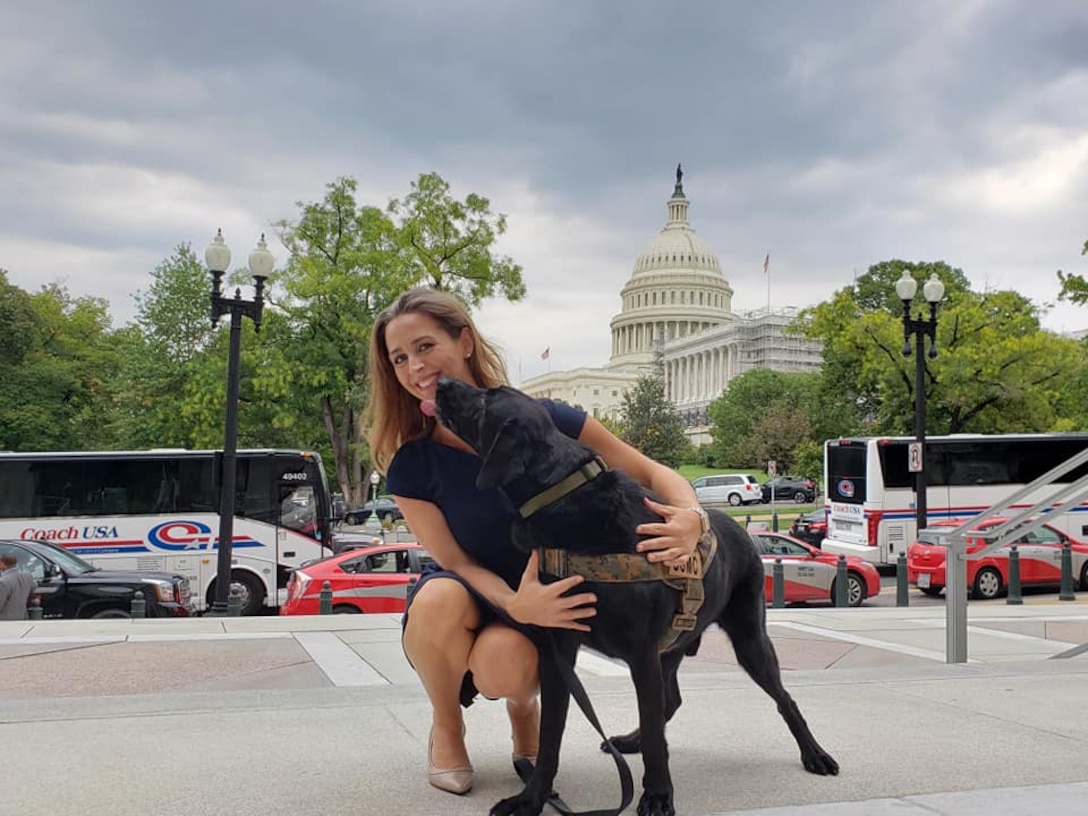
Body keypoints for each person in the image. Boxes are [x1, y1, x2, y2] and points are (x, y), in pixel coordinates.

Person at [364, 287, 704, 796]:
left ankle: (525, 711)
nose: (415, 366)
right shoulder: (414, 462)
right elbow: (453, 559)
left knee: (508, 665)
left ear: (464, 341)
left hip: (546, 595)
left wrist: (691, 515)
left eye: (425, 346)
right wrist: (515, 601)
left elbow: (649, 470)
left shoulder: (539, 418)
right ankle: (447, 728)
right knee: (437, 597)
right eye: (399, 359)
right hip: (472, 589)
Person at [0, 552, 36, 621]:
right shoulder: (28, 577)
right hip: (22, 617)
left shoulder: (3, 582)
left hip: (5, 620)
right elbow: (33, 590)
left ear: (2, 563)